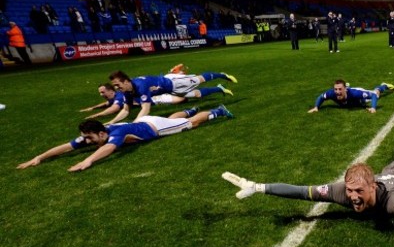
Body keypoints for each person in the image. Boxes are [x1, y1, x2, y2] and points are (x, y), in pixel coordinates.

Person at [222, 118, 394, 245]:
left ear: (372, 186)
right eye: (350, 190)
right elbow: (303, 192)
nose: (352, 197)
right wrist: (257, 186)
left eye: (358, 191)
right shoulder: (342, 191)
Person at [16, 105, 234, 172]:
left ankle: (217, 112)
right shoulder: (96, 133)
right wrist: (39, 157)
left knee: (191, 124)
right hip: (148, 121)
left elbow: (109, 149)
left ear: (101, 133)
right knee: (172, 119)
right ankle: (189, 109)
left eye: (90, 138)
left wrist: (88, 160)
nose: (87, 141)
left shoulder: (114, 134)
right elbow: (66, 146)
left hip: (155, 128)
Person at [108, 70, 236, 124]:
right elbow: (125, 110)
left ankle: (221, 75)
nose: (116, 88)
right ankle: (219, 88)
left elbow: (146, 109)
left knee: (200, 79)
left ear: (125, 81)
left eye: (117, 85)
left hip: (173, 83)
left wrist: (134, 123)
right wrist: (112, 122)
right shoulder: (126, 91)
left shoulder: (140, 86)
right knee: (197, 94)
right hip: (171, 90)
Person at [308, 79, 394, 114]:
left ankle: (383, 86)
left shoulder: (355, 93)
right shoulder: (331, 93)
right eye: (336, 89)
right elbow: (321, 97)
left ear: (345, 89)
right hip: (352, 101)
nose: (337, 92)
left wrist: (373, 107)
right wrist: (316, 107)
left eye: (340, 89)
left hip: (360, 99)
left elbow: (373, 96)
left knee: (376, 93)